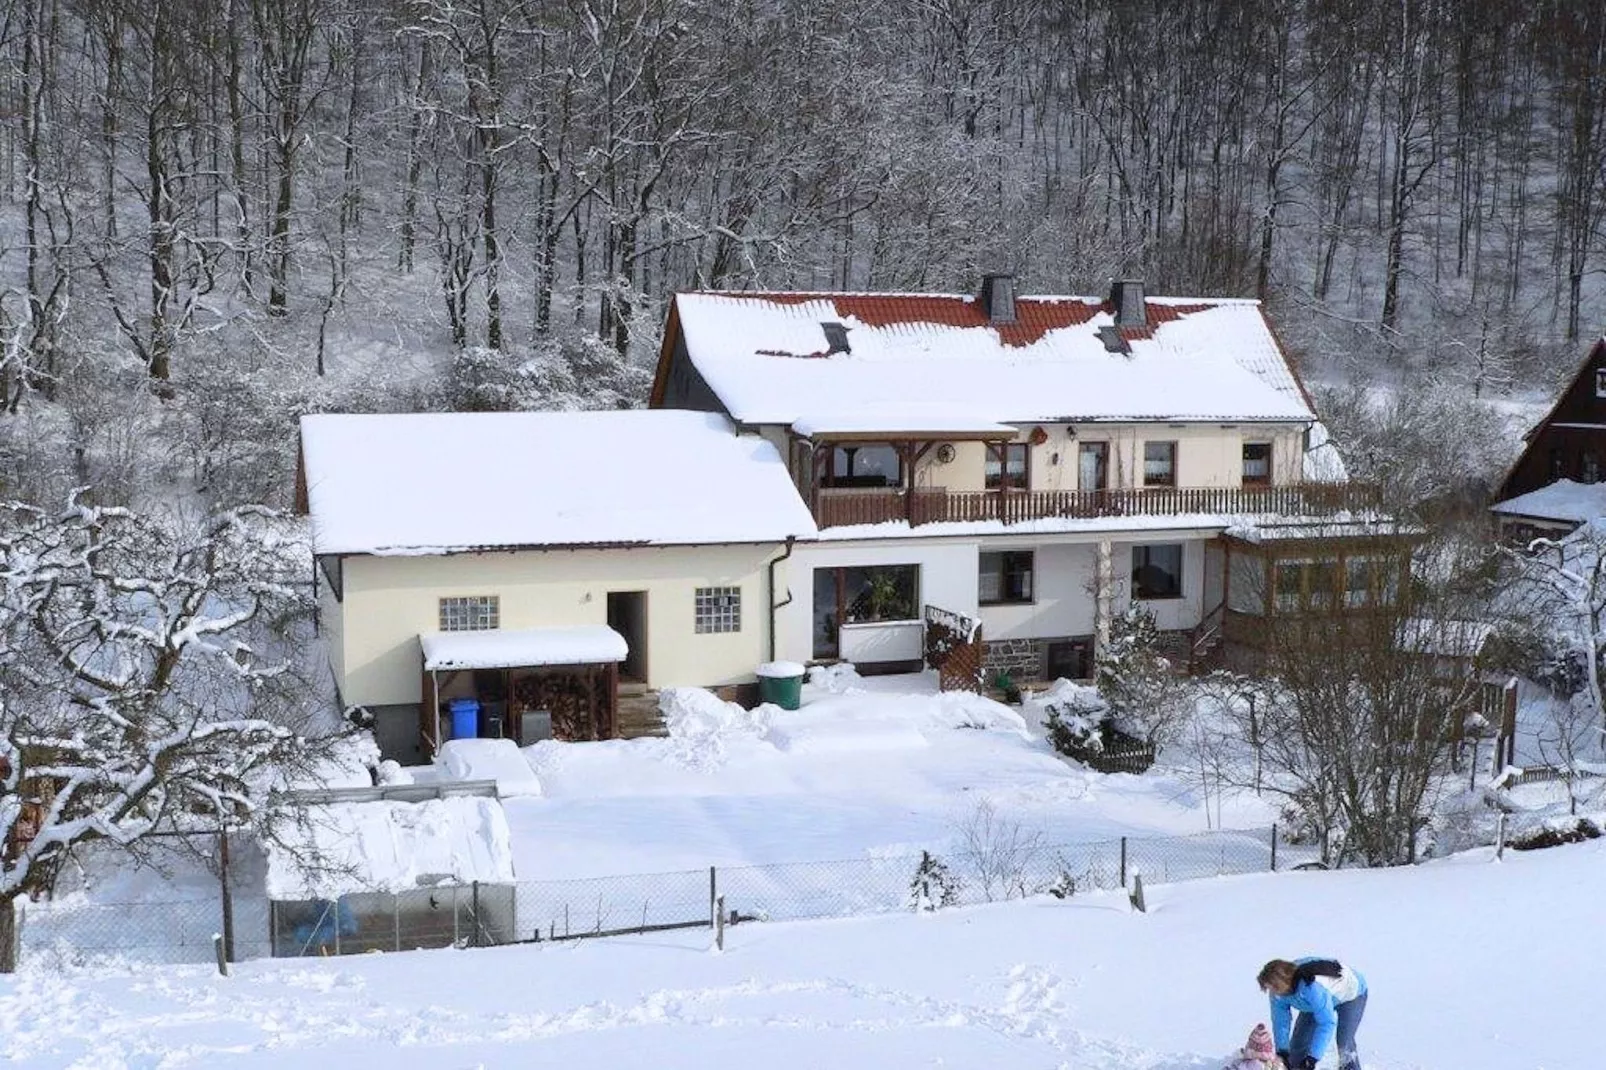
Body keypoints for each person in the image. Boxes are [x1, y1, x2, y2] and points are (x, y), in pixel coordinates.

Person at [1257, 957, 1367, 1070]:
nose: (1272, 993)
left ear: (1284, 982)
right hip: (1312, 1004)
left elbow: (1327, 1023)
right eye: (1269, 988)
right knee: (1297, 1047)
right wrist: (1282, 1051)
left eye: (1274, 988)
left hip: (1350, 996)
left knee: (1344, 1043)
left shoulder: (1311, 987)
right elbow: (1280, 1021)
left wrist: (1313, 1058)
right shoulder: (1277, 993)